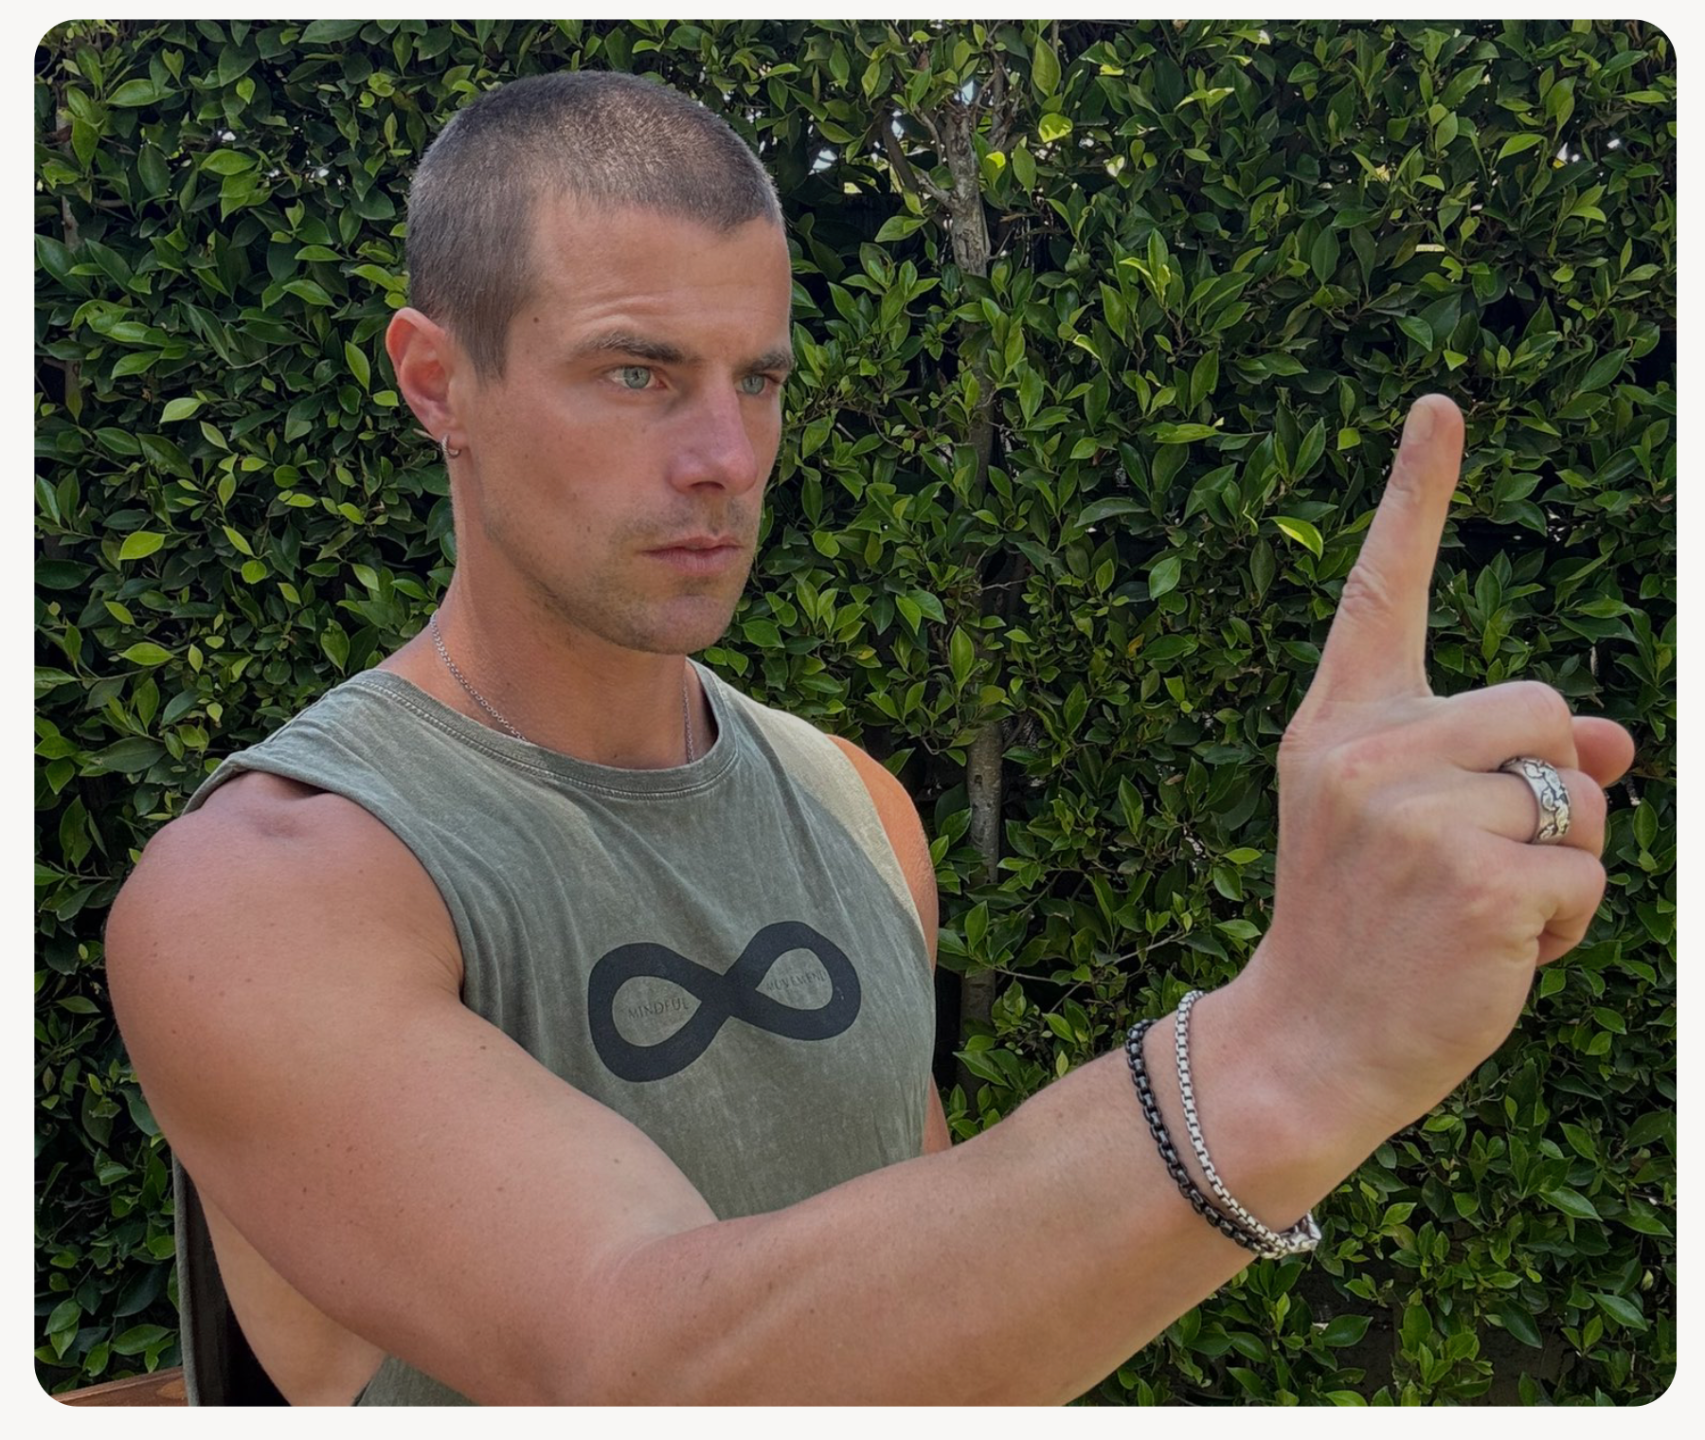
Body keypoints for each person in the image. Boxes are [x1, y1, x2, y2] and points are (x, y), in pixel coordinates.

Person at [105, 69, 1636, 1406]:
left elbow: (924, 1328)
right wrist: (1290, 1055)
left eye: (759, 380)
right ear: (438, 381)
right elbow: (637, 1365)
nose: (726, 458)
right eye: (637, 372)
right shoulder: (265, 893)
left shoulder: (854, 805)